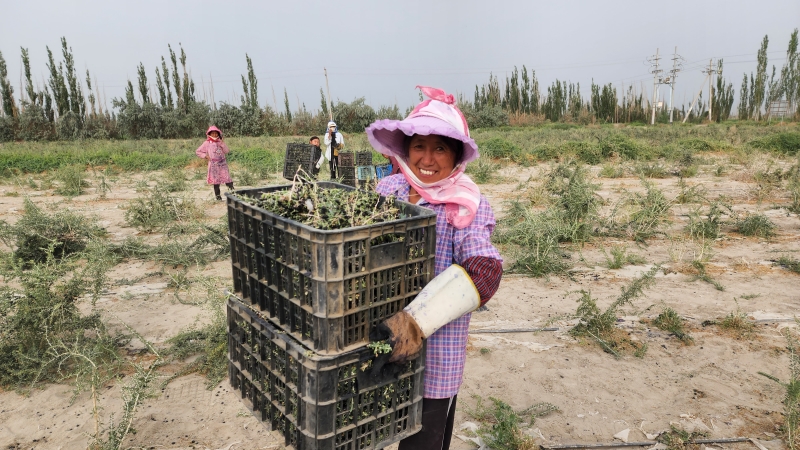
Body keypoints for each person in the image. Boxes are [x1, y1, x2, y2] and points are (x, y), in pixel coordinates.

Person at [366, 86, 503, 450]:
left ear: (456, 155)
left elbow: (484, 272)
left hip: (436, 353)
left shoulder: (466, 205)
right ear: (405, 151)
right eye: (419, 147)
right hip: (382, 337)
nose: (428, 158)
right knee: (381, 426)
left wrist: (415, 322)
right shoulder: (389, 190)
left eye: (440, 147)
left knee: (423, 439)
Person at [195, 125, 233, 200]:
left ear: (219, 134)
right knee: (216, 182)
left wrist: (222, 143)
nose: (215, 135)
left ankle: (234, 196)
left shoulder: (220, 142)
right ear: (209, 134)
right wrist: (205, 156)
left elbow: (226, 151)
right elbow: (198, 151)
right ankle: (218, 198)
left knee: (228, 180)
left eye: (216, 133)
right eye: (213, 133)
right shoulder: (207, 143)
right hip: (213, 165)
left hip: (223, 164)